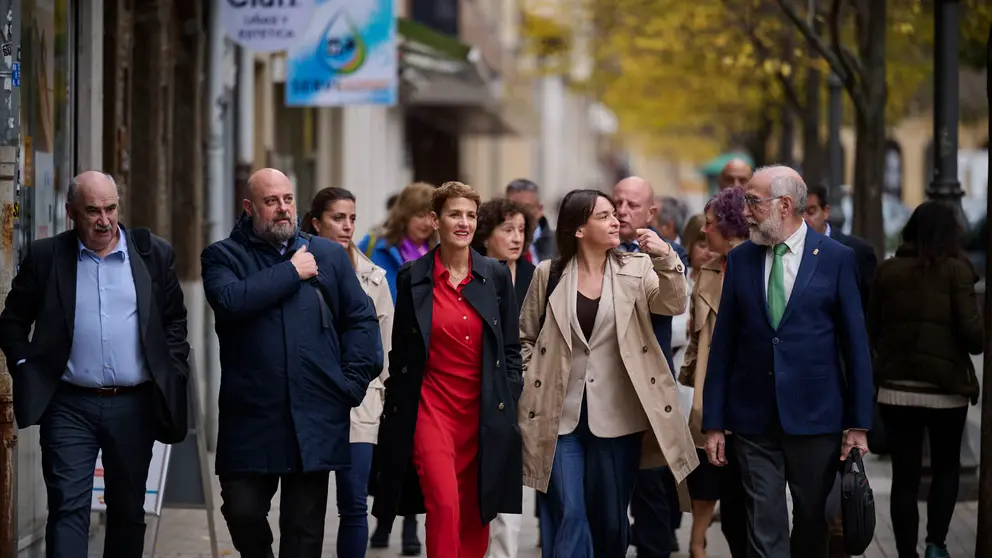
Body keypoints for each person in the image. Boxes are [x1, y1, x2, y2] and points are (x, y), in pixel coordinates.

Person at [0, 170, 190, 558]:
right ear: (71, 212)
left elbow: (174, 321)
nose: (104, 220)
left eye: (111, 208)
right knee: (68, 508)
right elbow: (12, 322)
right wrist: (24, 366)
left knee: (127, 511)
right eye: (92, 211)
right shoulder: (46, 256)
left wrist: (172, 367)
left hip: (135, 404)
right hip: (68, 405)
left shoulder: (153, 253)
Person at [201, 168, 383, 558]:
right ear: (249, 207)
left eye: (287, 199)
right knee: (242, 510)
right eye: (271, 201)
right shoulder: (222, 256)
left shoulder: (329, 255)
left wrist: (349, 385)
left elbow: (361, 322)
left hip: (314, 415)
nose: (283, 209)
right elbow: (231, 301)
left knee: (303, 534)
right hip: (250, 417)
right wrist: (291, 272)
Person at [702, 165, 874, 558]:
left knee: (813, 521)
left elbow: (855, 346)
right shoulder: (742, 259)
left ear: (783, 205)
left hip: (817, 418)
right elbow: (723, 344)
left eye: (753, 202)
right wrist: (714, 422)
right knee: (765, 522)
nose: (745, 211)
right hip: (752, 420)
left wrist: (859, 424)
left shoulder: (836, 259)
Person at [517, 189, 697, 557]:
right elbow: (525, 336)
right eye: (603, 216)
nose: (616, 220)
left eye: (614, 214)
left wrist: (664, 258)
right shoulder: (548, 274)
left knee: (611, 521)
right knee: (569, 512)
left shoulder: (637, 268)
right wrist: (531, 377)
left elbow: (674, 302)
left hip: (617, 420)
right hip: (559, 417)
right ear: (579, 229)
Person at [372, 181, 524, 558]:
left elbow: (509, 346)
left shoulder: (496, 275)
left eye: (471, 216)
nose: (464, 222)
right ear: (434, 219)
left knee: (476, 513)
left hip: (482, 413)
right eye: (455, 214)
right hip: (431, 410)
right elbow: (403, 353)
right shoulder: (412, 276)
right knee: (443, 502)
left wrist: (509, 391)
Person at [869, 201, 983, 558]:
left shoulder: (888, 271)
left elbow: (872, 328)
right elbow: (975, 338)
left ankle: (905, 553)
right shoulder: (958, 272)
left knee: (905, 476)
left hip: (897, 391)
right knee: (946, 469)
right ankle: (936, 545)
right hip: (946, 393)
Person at [302, 187, 394, 558]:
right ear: (315, 222)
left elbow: (386, 351)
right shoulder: (296, 268)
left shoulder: (374, 278)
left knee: (354, 503)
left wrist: (384, 402)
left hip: (362, 402)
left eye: (352, 218)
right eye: (338, 218)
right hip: (308, 402)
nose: (347, 226)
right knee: (305, 507)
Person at [613, 175, 687, 556]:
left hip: (650, 399)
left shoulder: (666, 253)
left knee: (652, 496)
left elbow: (676, 303)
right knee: (607, 503)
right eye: (617, 202)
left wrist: (662, 255)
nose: (622, 211)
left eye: (633, 205)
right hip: (605, 397)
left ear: (652, 212)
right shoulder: (595, 250)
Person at [678, 188, 750, 558]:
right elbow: (697, 337)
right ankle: (698, 542)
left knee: (747, 500)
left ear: (730, 225)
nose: (704, 233)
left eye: (709, 224)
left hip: (751, 401)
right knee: (711, 482)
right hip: (710, 400)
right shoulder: (707, 273)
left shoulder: (759, 267)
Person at [471, 198, 536, 558]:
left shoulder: (533, 276)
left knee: (512, 483)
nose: (516, 238)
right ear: (486, 234)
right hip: (481, 390)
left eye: (522, 231)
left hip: (524, 392)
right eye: (507, 230)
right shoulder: (475, 273)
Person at [358, 181, 437, 303]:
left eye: (432, 217)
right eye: (420, 216)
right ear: (404, 216)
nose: (427, 223)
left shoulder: (440, 254)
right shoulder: (373, 244)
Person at [803, 183, 877, 311]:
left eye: (811, 212)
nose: (804, 220)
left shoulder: (857, 251)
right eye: (799, 213)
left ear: (825, 211)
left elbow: (870, 305)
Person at [506, 178, 556, 262]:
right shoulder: (496, 242)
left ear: (540, 209)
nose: (519, 214)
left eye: (526, 208)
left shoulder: (560, 244)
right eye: (512, 208)